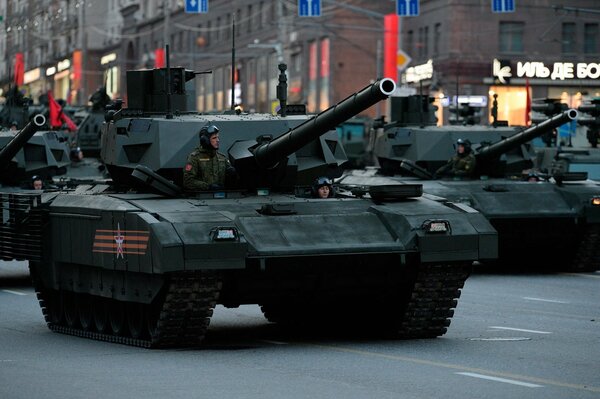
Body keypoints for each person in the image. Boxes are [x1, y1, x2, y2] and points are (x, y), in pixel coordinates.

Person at [183, 124, 236, 191]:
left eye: (218, 137)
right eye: (214, 138)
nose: (218, 140)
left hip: (221, 197)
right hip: (202, 196)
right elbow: (188, 181)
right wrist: (208, 187)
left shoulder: (222, 158)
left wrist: (232, 173)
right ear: (205, 141)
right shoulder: (194, 158)